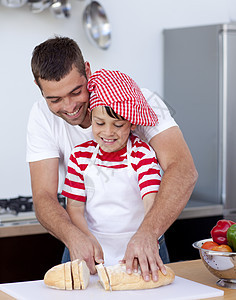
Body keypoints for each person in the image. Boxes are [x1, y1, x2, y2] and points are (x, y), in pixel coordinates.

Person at [27, 36, 198, 282]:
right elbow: (43, 196)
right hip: (83, 248)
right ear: (38, 86)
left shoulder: (139, 102)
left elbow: (183, 169)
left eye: (76, 91)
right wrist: (75, 237)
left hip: (144, 244)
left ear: (87, 70)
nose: (70, 105)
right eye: (55, 99)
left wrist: (148, 234)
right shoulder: (41, 116)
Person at [62, 68, 165, 269]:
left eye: (118, 125)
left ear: (132, 124)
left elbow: (151, 201)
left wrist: (145, 238)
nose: (108, 132)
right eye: (100, 123)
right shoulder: (79, 157)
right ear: (91, 117)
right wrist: (88, 240)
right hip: (94, 250)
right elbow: (74, 207)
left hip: (137, 250)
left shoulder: (142, 154)